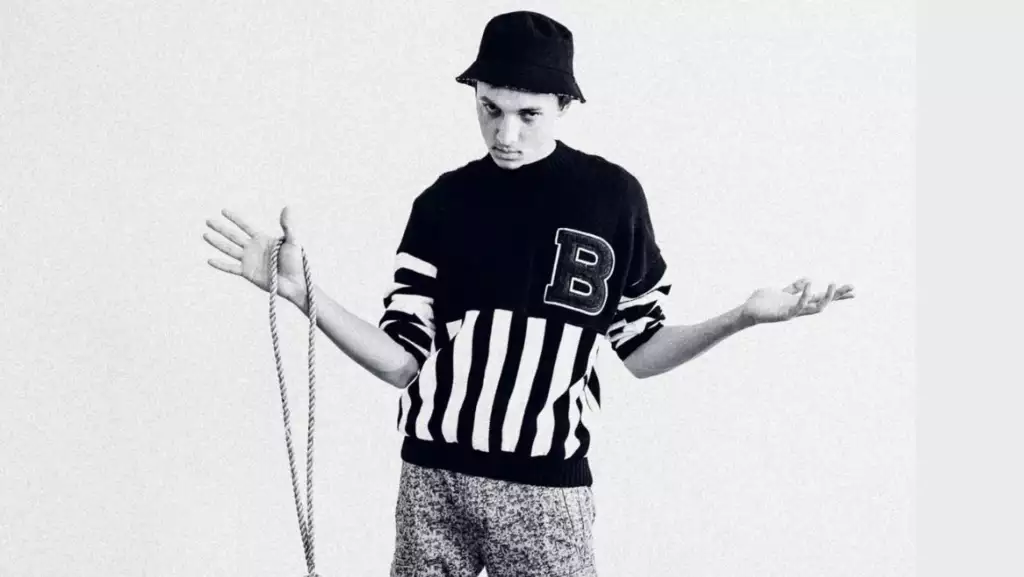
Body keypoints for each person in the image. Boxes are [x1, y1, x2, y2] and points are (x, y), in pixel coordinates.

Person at [203, 10, 854, 577]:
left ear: (565, 106)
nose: (505, 135)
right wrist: (304, 295)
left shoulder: (612, 198)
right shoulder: (442, 203)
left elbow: (641, 348)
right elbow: (402, 361)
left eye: (528, 115)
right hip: (433, 483)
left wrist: (741, 317)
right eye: (490, 109)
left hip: (545, 493)